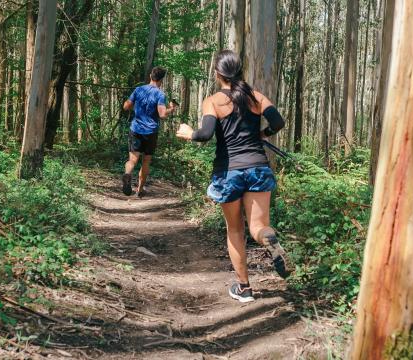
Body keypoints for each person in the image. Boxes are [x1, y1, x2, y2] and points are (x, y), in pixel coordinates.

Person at [176, 50, 290, 303]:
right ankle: (269, 239)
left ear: (218, 73)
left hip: (229, 172)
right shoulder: (256, 96)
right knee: (259, 227)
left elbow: (205, 134)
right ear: (240, 71)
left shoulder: (213, 101)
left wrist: (188, 133)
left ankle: (244, 288)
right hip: (258, 167)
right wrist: (264, 134)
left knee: (235, 230)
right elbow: (278, 122)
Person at [122, 66, 177, 197]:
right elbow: (162, 114)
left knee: (132, 159)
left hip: (135, 129)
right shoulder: (159, 94)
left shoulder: (138, 89)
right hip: (151, 131)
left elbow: (125, 106)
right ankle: (140, 189)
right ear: (161, 80)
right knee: (146, 161)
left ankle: (128, 174)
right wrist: (171, 109)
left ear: (150, 76)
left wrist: (136, 106)